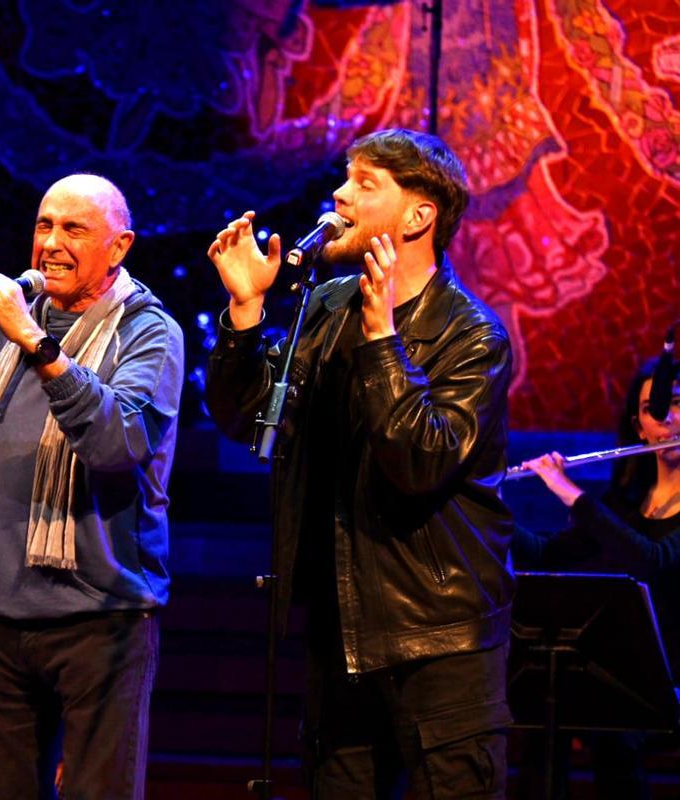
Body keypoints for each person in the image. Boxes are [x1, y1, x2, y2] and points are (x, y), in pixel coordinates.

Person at [206, 129, 515, 798]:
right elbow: (249, 420)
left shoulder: (473, 335)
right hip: (338, 628)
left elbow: (421, 462)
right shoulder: (325, 308)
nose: (340, 194)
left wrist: (382, 346)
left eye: (366, 184)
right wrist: (245, 312)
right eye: (344, 180)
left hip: (438, 638)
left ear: (418, 215)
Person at [0, 174, 184, 800]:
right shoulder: (6, 336)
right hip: (0, 619)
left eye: (74, 229)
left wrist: (40, 345)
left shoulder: (150, 333)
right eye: (44, 225)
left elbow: (116, 443)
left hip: (102, 618)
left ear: (120, 247)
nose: (52, 243)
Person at [511, 360, 680, 799]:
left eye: (676, 404)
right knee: (548, 716)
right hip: (629, 682)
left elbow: (653, 562)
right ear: (639, 427)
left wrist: (569, 491)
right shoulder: (623, 504)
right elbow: (546, 555)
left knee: (616, 726)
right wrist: (489, 508)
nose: (664, 418)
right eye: (650, 410)